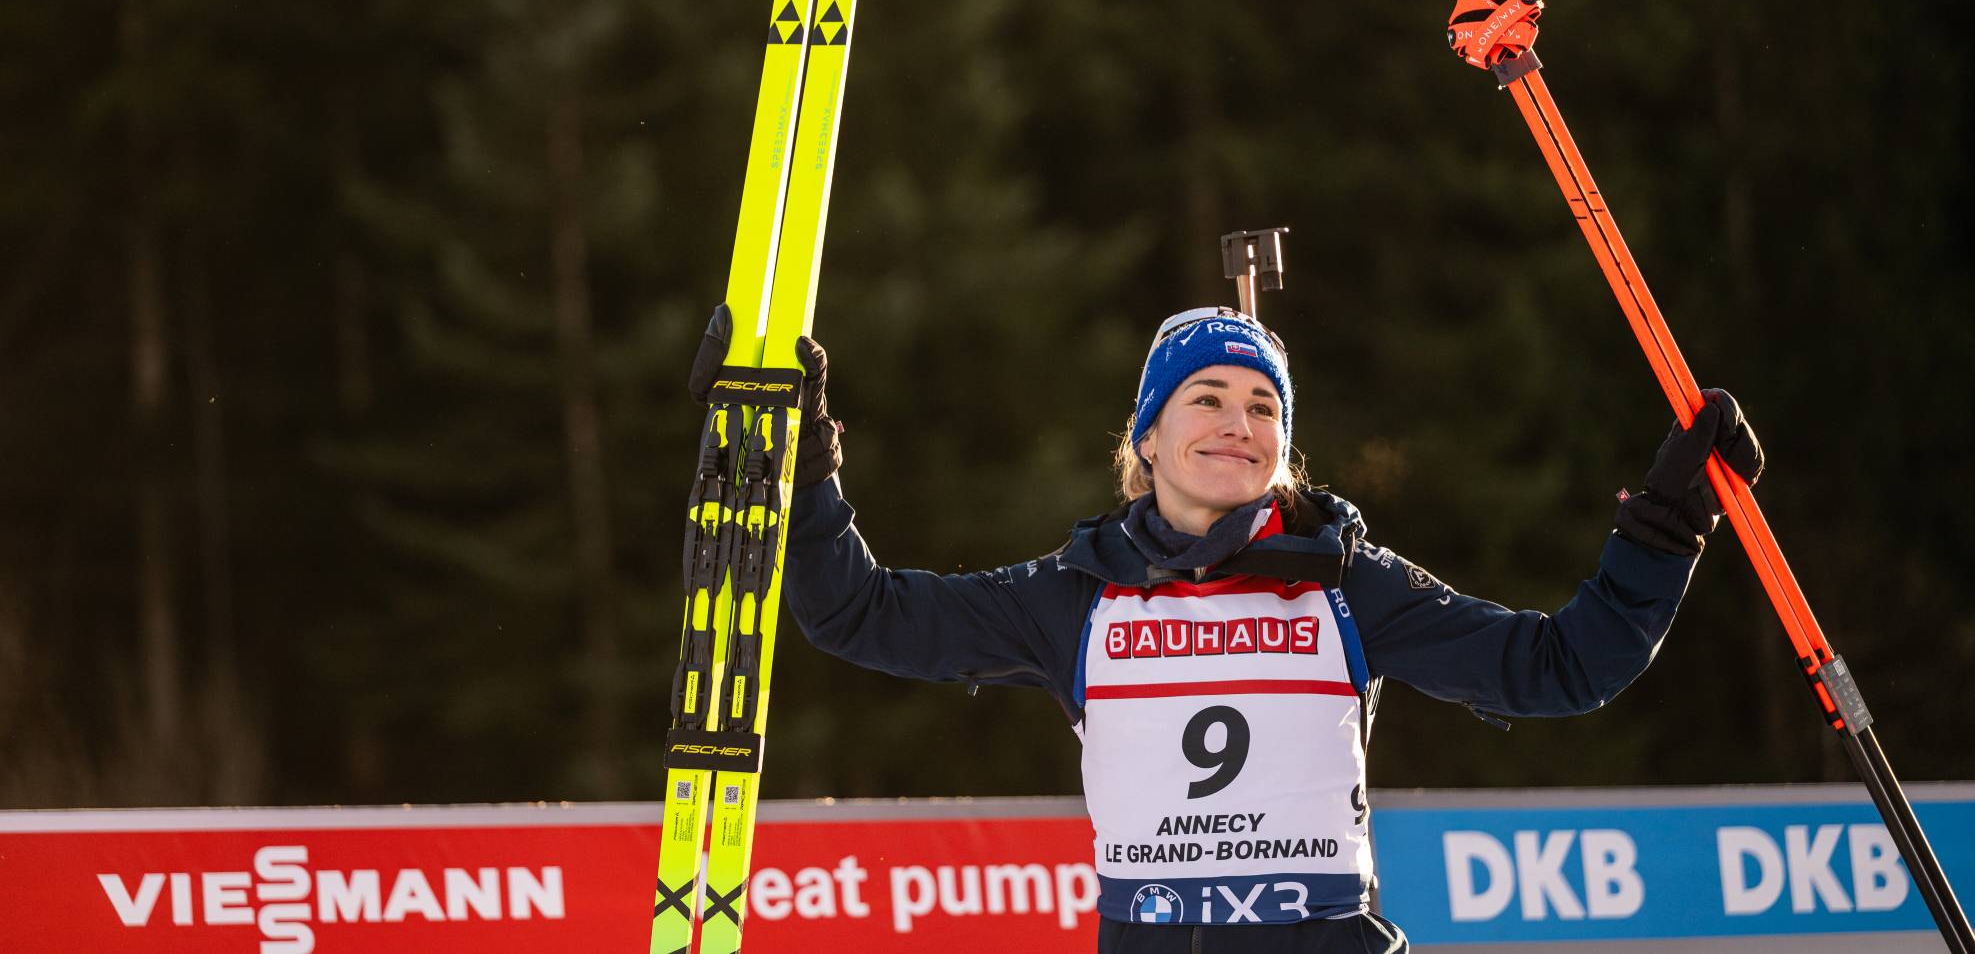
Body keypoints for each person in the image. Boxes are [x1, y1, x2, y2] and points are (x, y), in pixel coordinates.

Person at [689, 302, 1763, 952]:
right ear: (1147, 436)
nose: (1237, 424)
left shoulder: (1346, 582)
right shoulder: (1077, 594)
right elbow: (858, 611)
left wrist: (1665, 526)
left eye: (1263, 406)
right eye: (1206, 397)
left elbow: (1563, 667)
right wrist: (802, 467)